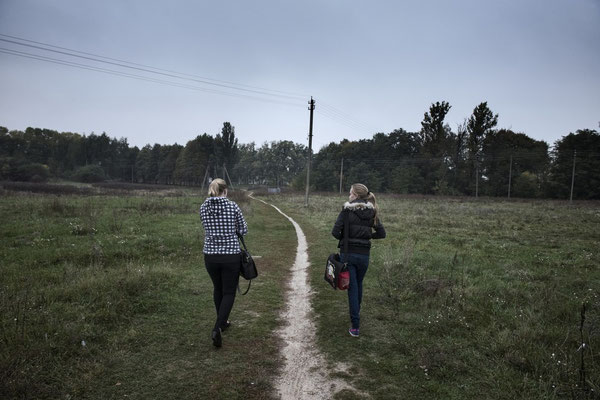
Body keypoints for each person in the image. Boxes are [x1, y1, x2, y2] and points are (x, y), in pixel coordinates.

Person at [331, 183, 386, 337]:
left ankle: (355, 326)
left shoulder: (346, 211)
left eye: (350, 193)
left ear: (355, 195)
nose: (348, 196)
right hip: (364, 256)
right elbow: (382, 233)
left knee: (352, 289)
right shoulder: (372, 211)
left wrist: (347, 238)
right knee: (358, 284)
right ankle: (357, 311)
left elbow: (335, 232)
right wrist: (367, 237)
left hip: (348, 254)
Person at [199, 178, 248, 348]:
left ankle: (223, 322)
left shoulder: (203, 207)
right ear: (224, 191)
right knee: (228, 292)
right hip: (230, 256)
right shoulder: (232, 206)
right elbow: (243, 230)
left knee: (218, 289)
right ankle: (217, 327)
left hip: (210, 256)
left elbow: (205, 226)